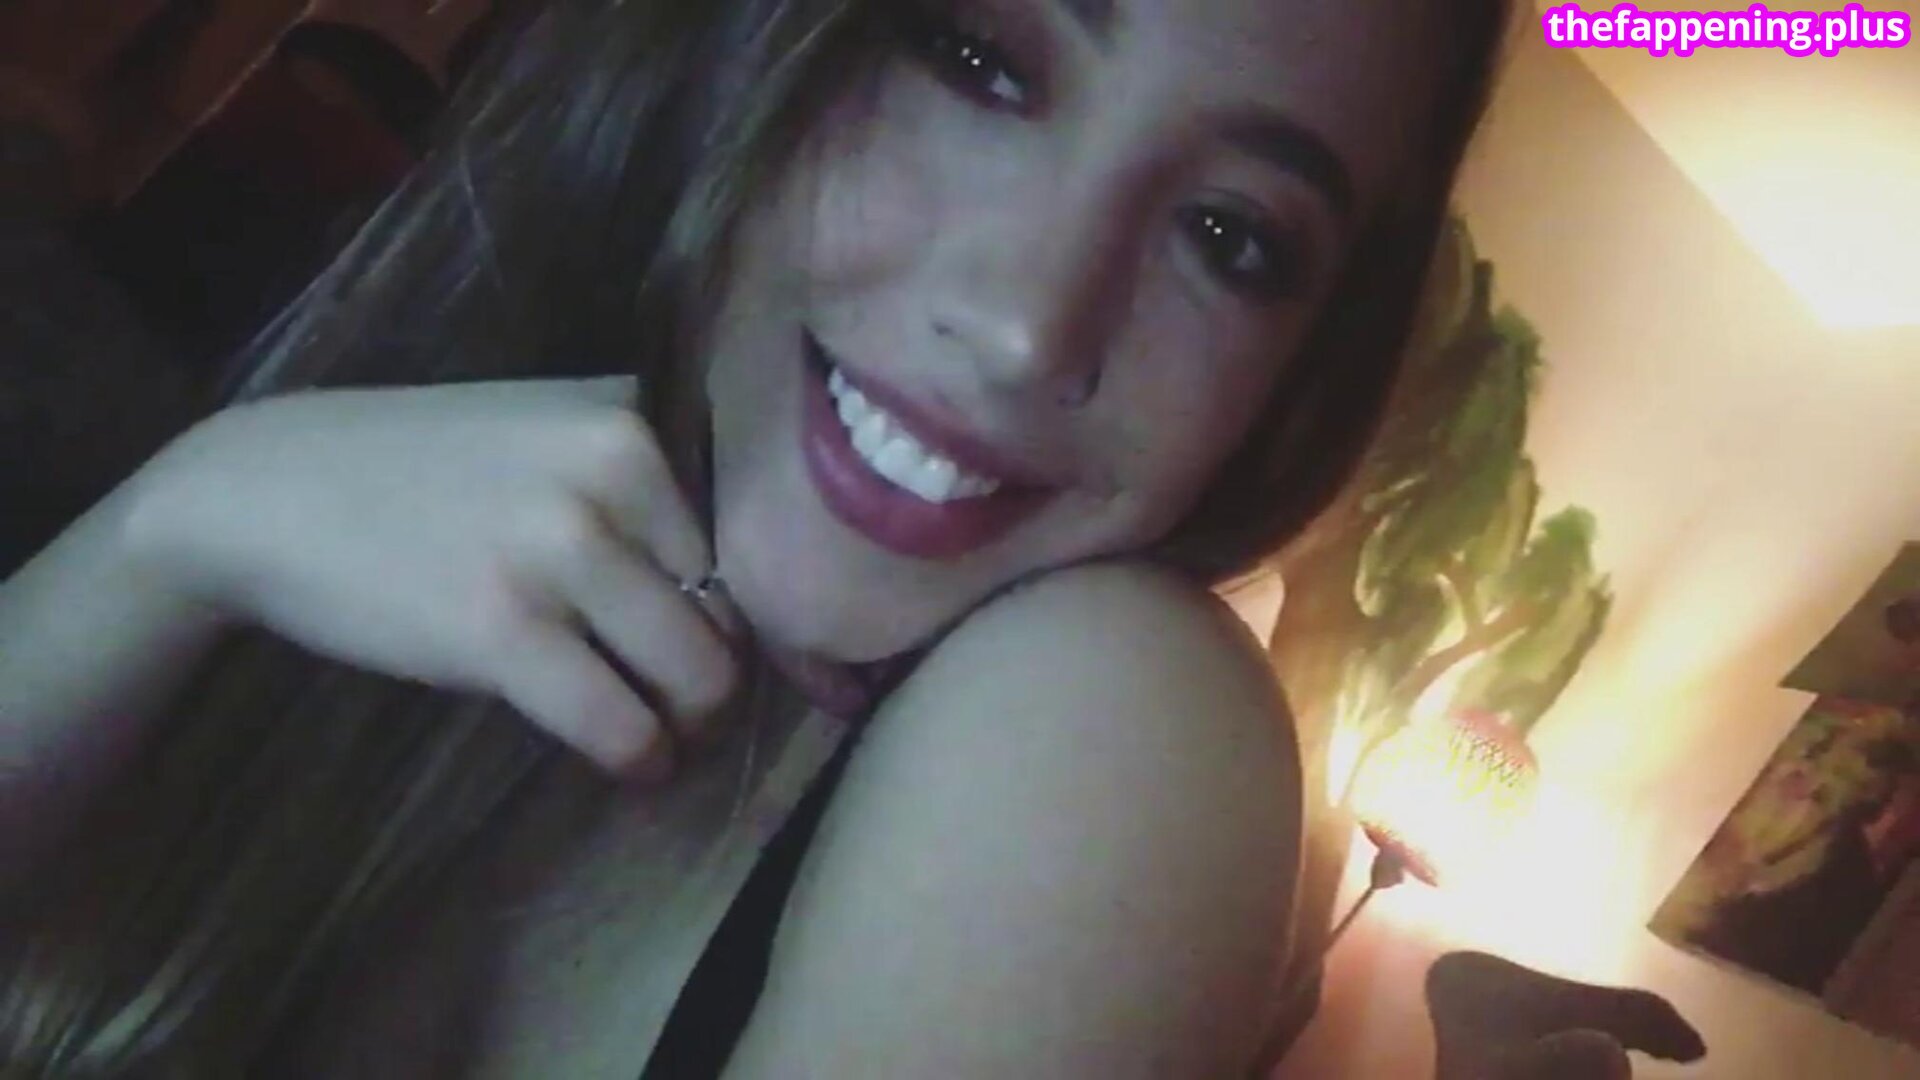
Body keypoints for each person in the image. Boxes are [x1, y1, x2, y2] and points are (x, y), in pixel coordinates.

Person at [0, 0, 1512, 1074]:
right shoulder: (376, 456)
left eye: (1231, 235)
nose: (1027, 326)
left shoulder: (1111, 727)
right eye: (979, 61)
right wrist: (174, 535)